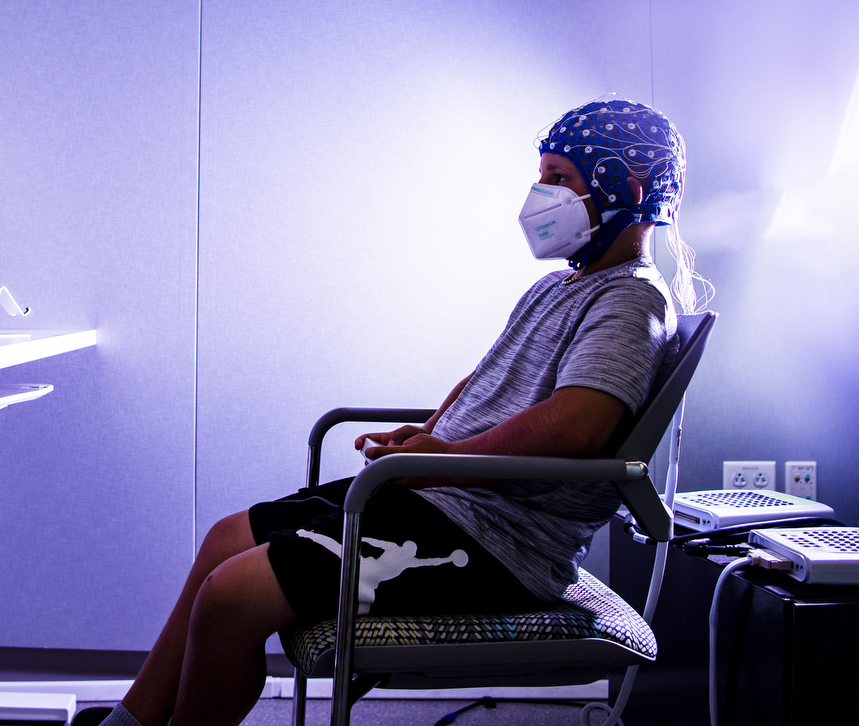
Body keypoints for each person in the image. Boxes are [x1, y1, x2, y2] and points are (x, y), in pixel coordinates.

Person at [75, 98, 708, 726]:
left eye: (560, 179)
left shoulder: (630, 301)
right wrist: (431, 435)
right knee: (222, 541)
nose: (539, 195)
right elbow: (486, 380)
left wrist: (446, 461)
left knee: (230, 599)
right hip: (441, 502)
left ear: (629, 187)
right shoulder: (560, 286)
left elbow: (579, 426)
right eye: (539, 176)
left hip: (496, 540)